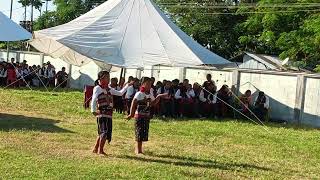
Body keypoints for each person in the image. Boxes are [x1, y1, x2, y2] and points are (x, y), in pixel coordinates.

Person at [91, 71, 131, 155]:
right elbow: (94, 99)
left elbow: (120, 93)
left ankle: (95, 148)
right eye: (107, 77)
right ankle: (100, 150)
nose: (109, 79)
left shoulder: (109, 89)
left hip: (109, 114)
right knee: (104, 132)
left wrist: (127, 85)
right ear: (101, 79)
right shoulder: (98, 88)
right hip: (102, 113)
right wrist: (93, 110)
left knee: (103, 132)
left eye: (109, 77)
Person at [127, 77, 168, 154]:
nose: (149, 86)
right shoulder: (139, 93)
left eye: (150, 84)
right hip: (139, 116)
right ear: (142, 84)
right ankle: (138, 150)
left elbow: (153, 103)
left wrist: (159, 96)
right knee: (139, 132)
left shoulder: (149, 94)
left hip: (146, 116)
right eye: (147, 84)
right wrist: (131, 114)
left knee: (143, 133)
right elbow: (133, 103)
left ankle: (140, 149)